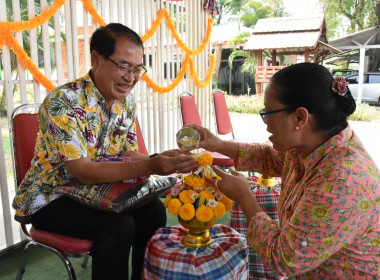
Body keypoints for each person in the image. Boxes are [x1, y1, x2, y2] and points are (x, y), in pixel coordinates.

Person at [12, 23, 197, 280]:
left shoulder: (126, 101)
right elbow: (85, 172)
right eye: (122, 66)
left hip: (95, 191)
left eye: (136, 69)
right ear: (96, 59)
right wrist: (152, 166)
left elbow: (128, 152)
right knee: (118, 226)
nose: (130, 78)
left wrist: (164, 160)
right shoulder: (62, 102)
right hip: (49, 199)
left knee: (153, 209)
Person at [188, 62, 380, 279]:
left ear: (300, 117)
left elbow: (282, 260)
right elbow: (271, 158)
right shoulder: (308, 145)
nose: (266, 124)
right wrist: (217, 145)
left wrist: (245, 196)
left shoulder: (344, 180)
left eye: (267, 113)